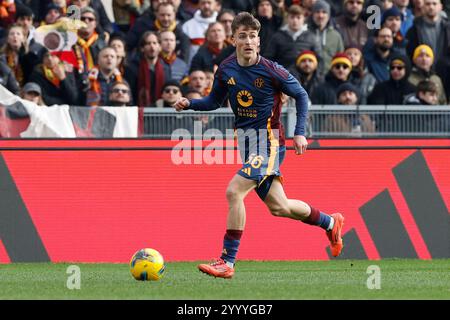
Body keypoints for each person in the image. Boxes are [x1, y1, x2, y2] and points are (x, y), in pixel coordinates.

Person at [173, 12, 344, 279]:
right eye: (243, 36)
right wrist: (190, 104)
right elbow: (214, 102)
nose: (249, 41)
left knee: (234, 192)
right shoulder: (227, 69)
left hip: (269, 142)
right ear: (234, 40)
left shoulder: (272, 70)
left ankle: (227, 261)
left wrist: (300, 133)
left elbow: (301, 95)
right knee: (280, 207)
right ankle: (331, 223)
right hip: (247, 143)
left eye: (253, 36)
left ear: (259, 42)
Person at [263, 4, 318, 70]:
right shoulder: (277, 37)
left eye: (298, 17)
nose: (295, 20)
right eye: (292, 17)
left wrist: (315, 79)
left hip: (305, 77)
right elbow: (268, 59)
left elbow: (319, 60)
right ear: (287, 18)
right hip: (282, 76)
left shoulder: (311, 37)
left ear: (304, 19)